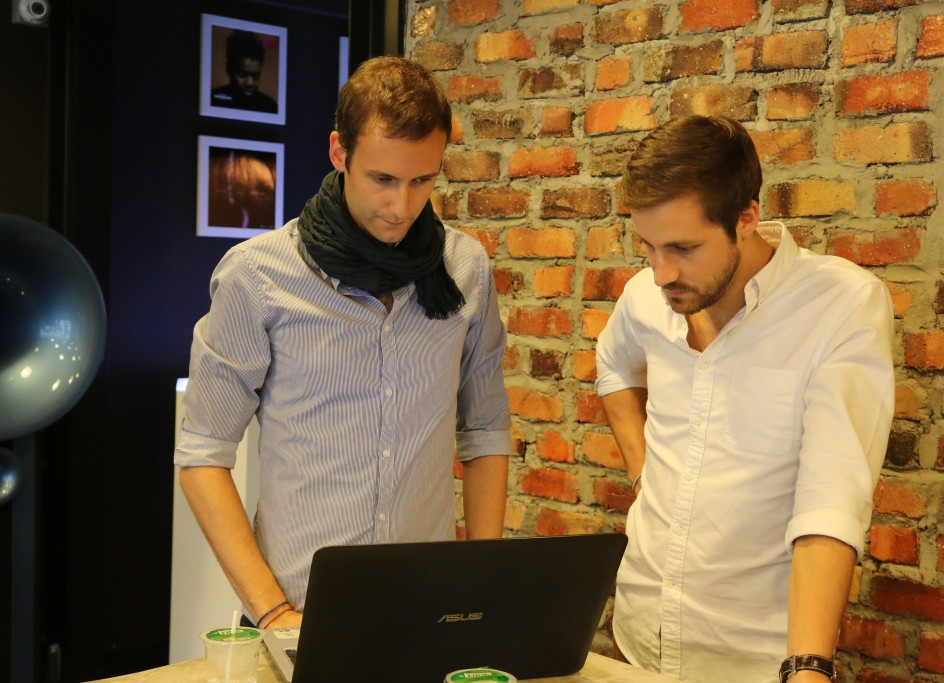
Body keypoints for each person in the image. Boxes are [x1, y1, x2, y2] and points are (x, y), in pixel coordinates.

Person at [176, 56, 514, 631]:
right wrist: (273, 611)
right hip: (300, 612)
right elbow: (202, 455)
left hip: (427, 606)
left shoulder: (464, 268)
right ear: (339, 152)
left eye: (422, 180)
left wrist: (477, 584)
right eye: (382, 179)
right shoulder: (256, 277)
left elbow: (484, 432)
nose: (402, 206)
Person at [595, 115, 895, 682]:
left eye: (683, 247)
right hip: (641, 634)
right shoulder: (645, 296)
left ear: (747, 218)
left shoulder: (840, 306)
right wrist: (642, 472)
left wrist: (809, 667)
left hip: (755, 655)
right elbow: (612, 363)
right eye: (648, 247)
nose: (662, 273)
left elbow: (832, 496)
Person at [211, 30, 278, 113]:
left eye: (255, 76)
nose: (250, 83)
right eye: (242, 75)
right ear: (229, 69)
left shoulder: (270, 106)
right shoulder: (213, 99)